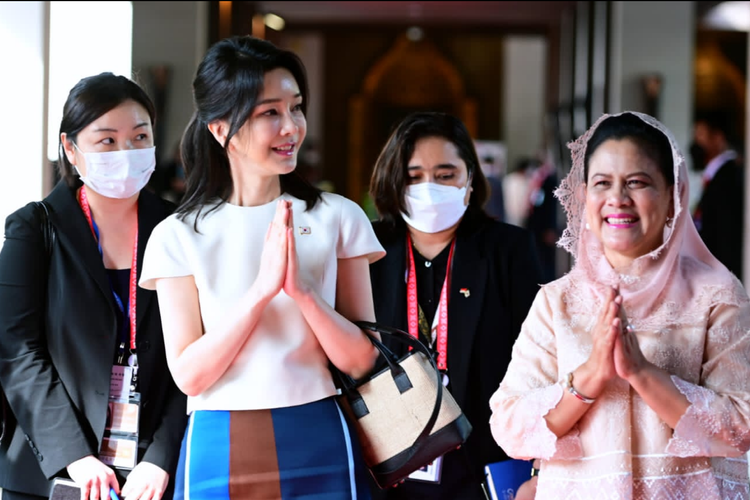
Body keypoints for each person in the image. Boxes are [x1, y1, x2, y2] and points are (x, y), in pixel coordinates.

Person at [137, 35, 386, 499]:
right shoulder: (177, 235)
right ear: (219, 129)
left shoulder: (338, 216)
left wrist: (304, 293)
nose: (291, 127)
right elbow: (190, 376)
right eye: (270, 112)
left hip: (321, 435)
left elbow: (361, 360)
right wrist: (261, 293)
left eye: (296, 108)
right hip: (219, 442)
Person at [490, 111, 750, 499]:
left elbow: (740, 426)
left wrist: (644, 374)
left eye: (637, 182)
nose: (618, 199)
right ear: (583, 197)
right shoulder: (557, 301)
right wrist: (590, 378)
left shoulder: (715, 294)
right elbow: (509, 424)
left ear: (672, 196)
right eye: (602, 183)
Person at [0, 72, 187, 500]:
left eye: (140, 137)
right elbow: (16, 349)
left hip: (152, 475)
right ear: (70, 147)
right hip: (51, 472)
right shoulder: (35, 227)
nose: (126, 152)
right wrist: (75, 455)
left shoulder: (178, 228)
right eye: (107, 141)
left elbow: (196, 350)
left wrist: (162, 455)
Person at [367, 111, 544, 500]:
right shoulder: (367, 250)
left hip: (485, 462)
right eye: (414, 176)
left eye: (445, 174)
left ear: (469, 179)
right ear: (395, 182)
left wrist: (539, 465)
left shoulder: (508, 250)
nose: (429, 186)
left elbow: (541, 365)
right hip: (389, 463)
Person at [690, 110, 745, 280]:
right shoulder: (714, 174)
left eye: (701, 134)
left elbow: (727, 232)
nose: (696, 142)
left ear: (718, 137)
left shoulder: (729, 175)